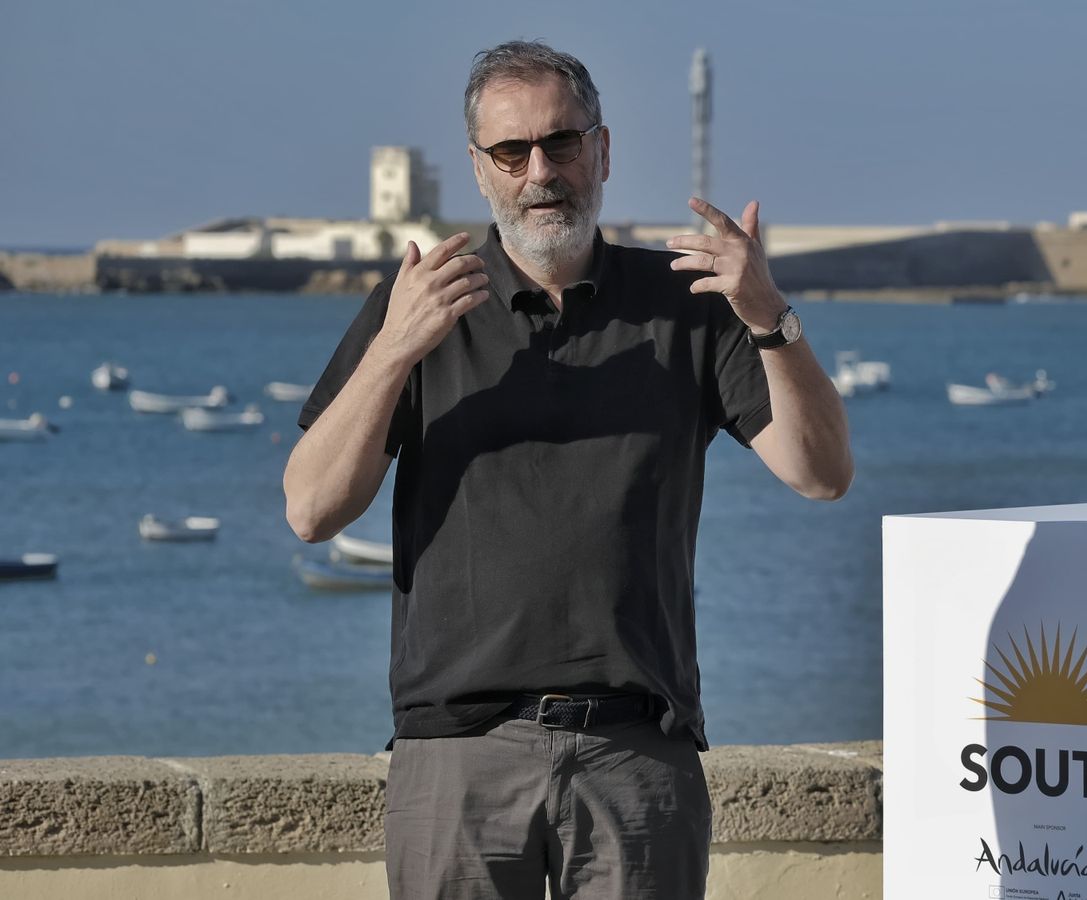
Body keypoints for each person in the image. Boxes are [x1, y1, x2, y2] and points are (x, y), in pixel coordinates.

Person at [282, 39, 851, 900]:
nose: (541, 172)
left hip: (638, 751)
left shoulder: (691, 303)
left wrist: (768, 314)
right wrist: (395, 348)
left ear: (604, 151)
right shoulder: (420, 306)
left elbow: (823, 473)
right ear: (480, 170)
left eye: (562, 143)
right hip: (458, 754)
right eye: (512, 152)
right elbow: (311, 510)